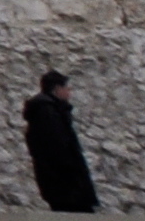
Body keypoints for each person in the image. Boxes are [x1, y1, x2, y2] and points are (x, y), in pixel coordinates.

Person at [27, 69, 98, 214]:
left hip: (59, 182)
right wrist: (74, 174)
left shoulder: (48, 110)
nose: (69, 93)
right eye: (67, 89)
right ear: (57, 89)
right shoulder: (48, 112)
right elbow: (58, 147)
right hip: (65, 183)